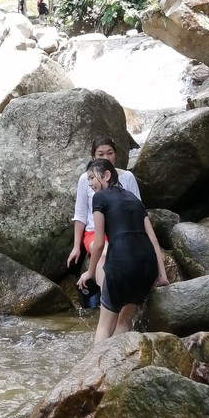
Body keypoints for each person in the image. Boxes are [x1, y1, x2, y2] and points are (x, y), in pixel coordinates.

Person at [75, 159, 168, 343]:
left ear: (107, 175)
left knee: (104, 326)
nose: (90, 183)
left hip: (121, 266)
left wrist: (90, 272)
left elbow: (100, 243)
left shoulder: (99, 198)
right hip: (146, 268)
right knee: (124, 323)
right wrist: (162, 275)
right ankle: (118, 368)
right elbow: (154, 239)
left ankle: (96, 369)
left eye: (92, 177)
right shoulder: (134, 200)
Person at [67, 136, 142, 292]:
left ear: (115, 154)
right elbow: (80, 214)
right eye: (101, 154)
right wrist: (76, 247)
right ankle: (106, 300)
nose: (106, 158)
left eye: (110, 153)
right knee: (104, 253)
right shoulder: (85, 179)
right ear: (94, 157)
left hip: (121, 231)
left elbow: (138, 210)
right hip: (94, 233)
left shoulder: (127, 177)